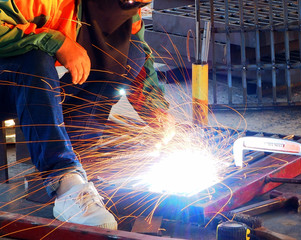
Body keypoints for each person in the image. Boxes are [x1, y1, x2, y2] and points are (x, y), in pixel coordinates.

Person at [0, 0, 174, 230]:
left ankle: (80, 167)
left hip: (22, 83)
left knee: (127, 54)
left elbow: (135, 46)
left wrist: (156, 111)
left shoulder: (120, 5)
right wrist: (56, 41)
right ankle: (64, 183)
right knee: (35, 58)